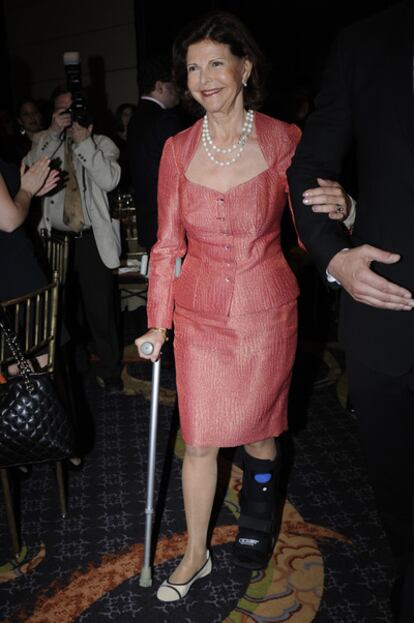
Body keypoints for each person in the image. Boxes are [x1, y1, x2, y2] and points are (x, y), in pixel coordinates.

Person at [135, 11, 350, 603]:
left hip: (266, 312)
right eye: (192, 68)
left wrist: (346, 216)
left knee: (259, 435)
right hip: (199, 314)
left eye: (215, 63)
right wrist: (156, 321)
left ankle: (255, 526)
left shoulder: (285, 138)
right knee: (200, 439)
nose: (202, 77)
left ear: (244, 67)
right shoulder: (176, 150)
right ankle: (197, 553)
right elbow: (166, 244)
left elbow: (309, 230)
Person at [287, 3, 414, 621]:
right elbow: (310, 169)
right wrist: (335, 258)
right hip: (389, 319)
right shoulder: (366, 41)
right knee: (399, 494)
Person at [26, 87, 124, 394]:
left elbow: (109, 180)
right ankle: (71, 366)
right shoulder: (44, 141)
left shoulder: (102, 144)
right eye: (61, 111)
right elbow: (29, 170)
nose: (68, 117)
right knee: (60, 311)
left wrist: (84, 142)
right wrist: (54, 133)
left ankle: (109, 370)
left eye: (73, 110)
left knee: (99, 309)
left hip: (91, 240)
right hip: (54, 241)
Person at [0, 156, 59, 372]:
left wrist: (27, 192)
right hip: (12, 277)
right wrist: (26, 191)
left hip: (12, 275)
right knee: (32, 378)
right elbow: (8, 220)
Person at [127, 54, 185, 252]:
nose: (178, 90)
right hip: (170, 222)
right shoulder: (166, 120)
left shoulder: (135, 120)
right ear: (160, 86)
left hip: (148, 221)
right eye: (174, 84)